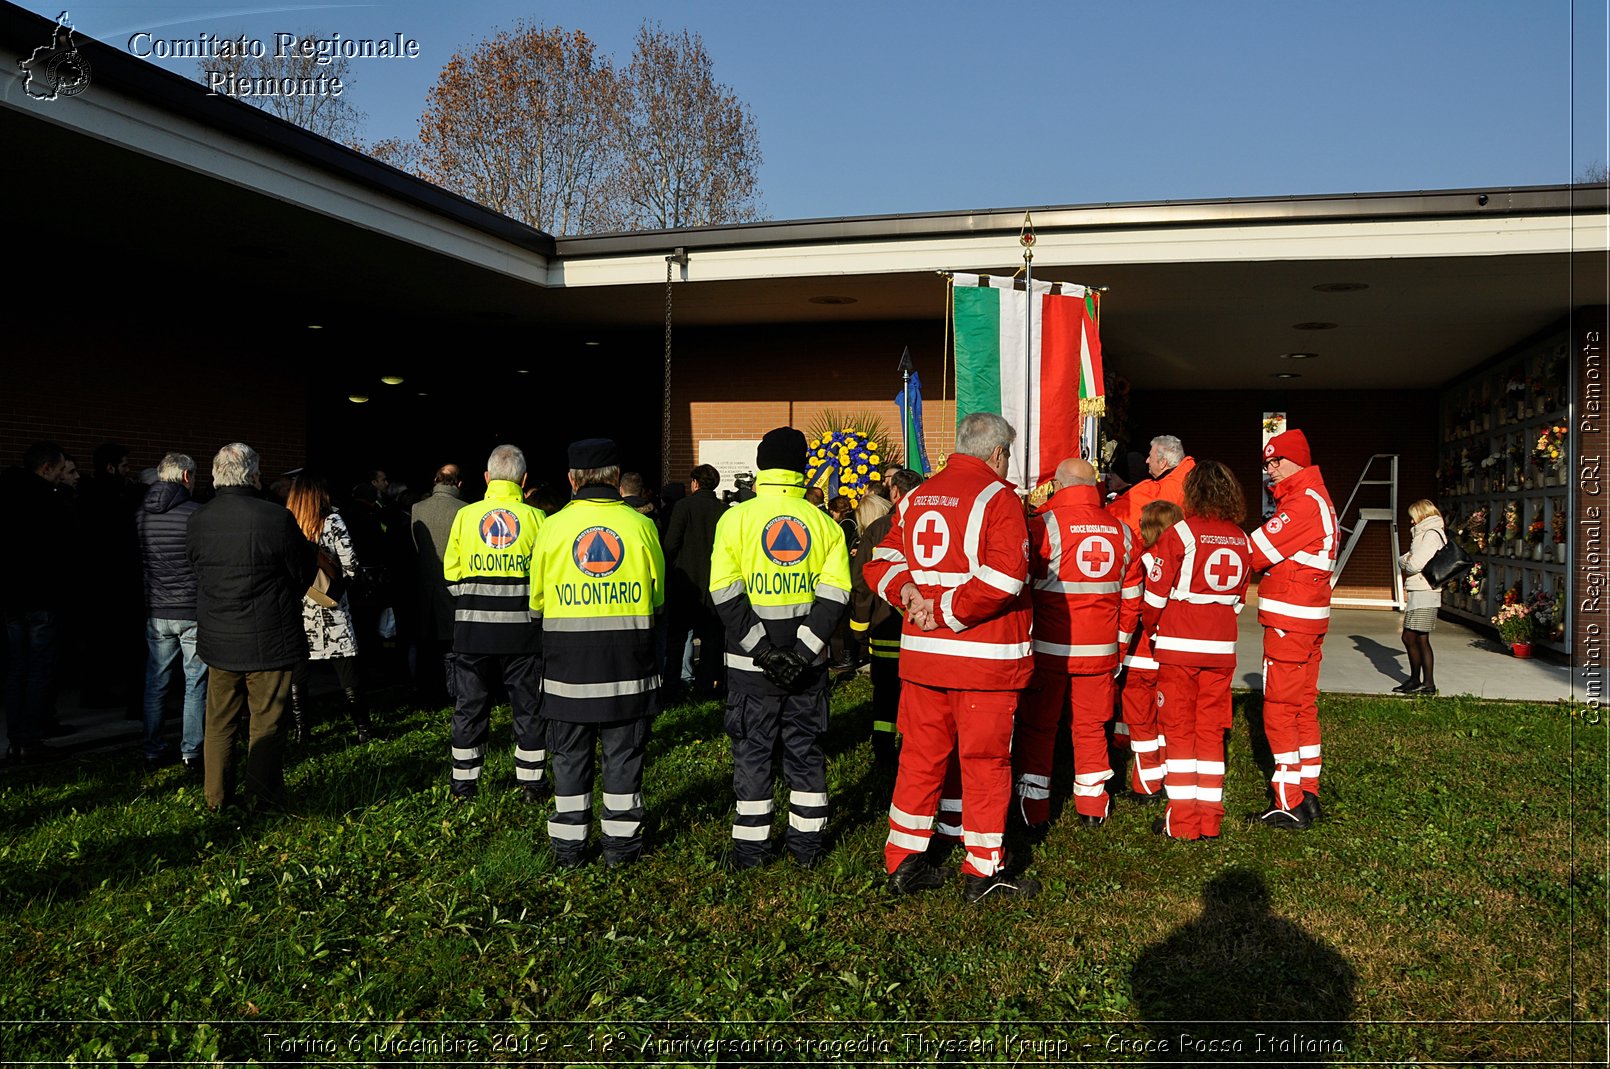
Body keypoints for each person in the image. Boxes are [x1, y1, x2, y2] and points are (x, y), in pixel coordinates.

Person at [864, 412, 1040, 902]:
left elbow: (881, 563)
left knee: (919, 759)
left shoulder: (917, 495)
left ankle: (903, 861)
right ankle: (983, 870)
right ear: (999, 453)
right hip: (984, 660)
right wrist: (944, 609)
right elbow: (1007, 580)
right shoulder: (999, 498)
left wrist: (910, 598)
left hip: (923, 659)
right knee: (985, 763)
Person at [709, 427, 851, 870]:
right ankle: (806, 849)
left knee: (752, 755)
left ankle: (751, 852)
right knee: (805, 754)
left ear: (760, 464)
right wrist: (802, 652)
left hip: (751, 671)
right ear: (803, 466)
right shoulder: (825, 524)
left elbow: (724, 593)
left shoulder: (735, 519)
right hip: (807, 672)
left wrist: (763, 651)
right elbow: (835, 596)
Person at [530, 439, 665, 867]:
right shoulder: (642, 526)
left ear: (572, 479)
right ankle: (621, 849)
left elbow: (536, 604)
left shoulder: (550, 527)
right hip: (628, 666)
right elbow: (658, 598)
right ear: (615, 476)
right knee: (623, 755)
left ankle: (568, 849)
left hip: (567, 669)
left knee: (569, 755)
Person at [1013, 457, 1143, 833]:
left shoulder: (1042, 528)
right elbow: (1131, 599)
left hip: (1048, 650)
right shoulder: (1123, 532)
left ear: (1057, 486)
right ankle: (1092, 805)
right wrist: (1117, 647)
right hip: (1101, 654)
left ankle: (1033, 808)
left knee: (1039, 727)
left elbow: (1023, 589)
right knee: (1090, 728)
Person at [188, 442, 318, 811]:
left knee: (219, 722)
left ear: (216, 475)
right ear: (254, 475)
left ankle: (216, 799)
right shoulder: (274, 517)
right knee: (266, 723)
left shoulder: (199, 518)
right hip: (269, 637)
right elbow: (302, 572)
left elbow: (197, 569)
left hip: (219, 636)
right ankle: (262, 798)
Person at [1142, 460, 1252, 842]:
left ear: (1192, 493)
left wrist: (1151, 627)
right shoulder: (1241, 539)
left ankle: (1182, 820)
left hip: (1178, 647)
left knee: (1179, 730)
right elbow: (1239, 599)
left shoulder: (1180, 535)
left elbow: (1153, 597)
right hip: (1221, 648)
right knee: (1210, 730)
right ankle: (1210, 818)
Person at [442, 444, 547, 800]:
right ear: (524, 479)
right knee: (528, 708)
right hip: (523, 635)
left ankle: (463, 784)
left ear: (487, 478)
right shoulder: (537, 519)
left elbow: (451, 576)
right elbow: (544, 580)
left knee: (469, 707)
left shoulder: (465, 516)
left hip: (472, 632)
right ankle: (532, 784)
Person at [1247, 428, 1338, 831]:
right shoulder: (1314, 499)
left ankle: (1289, 802)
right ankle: (1308, 792)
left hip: (1290, 622)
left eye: (1276, 462)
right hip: (1307, 619)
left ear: (1297, 460)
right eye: (1266, 464)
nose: (1270, 471)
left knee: (1281, 710)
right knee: (1302, 707)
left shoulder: (1302, 504)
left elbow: (1254, 553)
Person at [286, 474, 371, 744]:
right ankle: (363, 729)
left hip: (299, 609)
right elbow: (351, 566)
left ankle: (302, 731)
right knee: (347, 670)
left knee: (299, 674)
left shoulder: (285, 523)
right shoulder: (332, 522)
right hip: (332, 604)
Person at [135, 452, 206, 773]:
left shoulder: (141, 515)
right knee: (195, 681)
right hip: (191, 608)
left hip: (157, 608)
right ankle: (191, 751)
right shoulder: (196, 514)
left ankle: (152, 749)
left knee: (156, 681)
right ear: (187, 477)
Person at [849, 468, 923, 772]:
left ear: (894, 493)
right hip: (921, 627)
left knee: (885, 690)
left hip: (884, 625)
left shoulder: (879, 529)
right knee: (918, 691)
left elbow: (862, 581)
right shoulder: (929, 524)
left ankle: (882, 749)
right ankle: (914, 746)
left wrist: (859, 627)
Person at [1, 442, 72, 761]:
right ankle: (29, 737)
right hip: (40, 596)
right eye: (59, 469)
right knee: (39, 667)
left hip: (11, 596)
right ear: (46, 468)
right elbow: (61, 551)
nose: (61, 475)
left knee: (17, 666)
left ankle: (17, 735)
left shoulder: (7, 494)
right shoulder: (48, 500)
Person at [1114, 499, 1185, 802]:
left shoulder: (1141, 561)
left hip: (1141, 653)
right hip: (1174, 655)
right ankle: (1173, 778)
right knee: (1168, 721)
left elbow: (1132, 608)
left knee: (1141, 722)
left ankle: (1146, 785)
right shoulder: (1185, 561)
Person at [662, 464, 726, 701]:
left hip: (684, 583)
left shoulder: (683, 507)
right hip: (714, 583)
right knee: (711, 640)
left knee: (677, 639)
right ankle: (705, 689)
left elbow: (670, 545)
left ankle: (670, 689)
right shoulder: (723, 510)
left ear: (696, 483)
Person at [410, 463, 464, 706]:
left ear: (435, 480)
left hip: (424, 585)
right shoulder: (465, 510)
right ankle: (454, 690)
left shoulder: (417, 508)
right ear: (459, 483)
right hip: (454, 585)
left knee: (426, 644)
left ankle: (427, 691)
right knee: (454, 644)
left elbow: (417, 548)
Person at [1396, 499, 1446, 695]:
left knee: (1417, 638)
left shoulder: (1430, 535)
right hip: (1420, 590)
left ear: (1421, 515)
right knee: (1412, 637)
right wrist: (1407, 560)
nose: (1411, 522)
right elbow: (1405, 559)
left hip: (1426, 591)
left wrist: (1407, 560)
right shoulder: (1422, 534)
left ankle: (1427, 683)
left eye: (1413, 517)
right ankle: (1416, 679)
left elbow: (1414, 563)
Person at [1108, 435, 1196, 535]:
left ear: (1163, 463)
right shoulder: (1190, 481)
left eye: (1150, 457)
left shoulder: (1165, 491)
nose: (1147, 461)